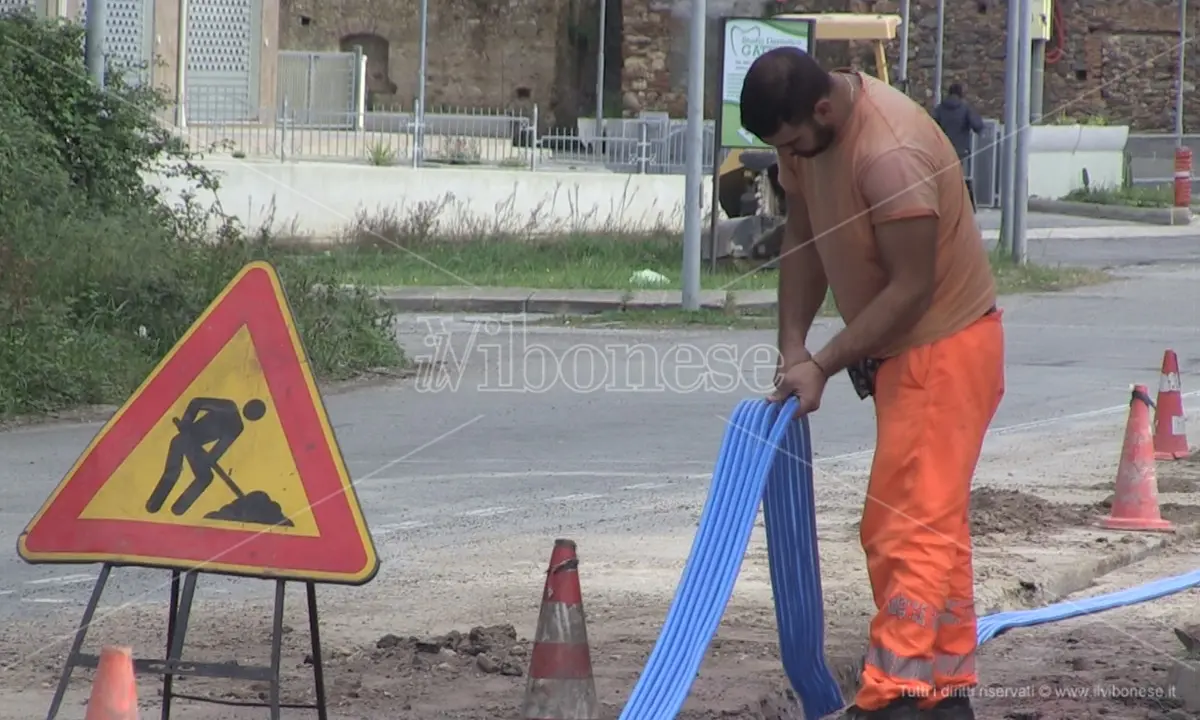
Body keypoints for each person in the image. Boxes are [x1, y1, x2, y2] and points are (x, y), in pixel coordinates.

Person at [739, 49, 1005, 720]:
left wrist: (823, 363)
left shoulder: (891, 152)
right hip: (903, 359)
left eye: (794, 142)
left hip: (944, 351)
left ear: (823, 109)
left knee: (904, 529)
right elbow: (803, 239)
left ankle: (890, 698)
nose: (789, 157)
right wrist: (793, 347)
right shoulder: (805, 143)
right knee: (934, 526)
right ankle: (942, 697)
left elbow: (910, 289)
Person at [932, 83, 985, 210]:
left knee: (943, 177)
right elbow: (977, 125)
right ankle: (957, 205)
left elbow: (931, 126)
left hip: (942, 149)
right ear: (961, 94)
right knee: (958, 177)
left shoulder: (940, 108)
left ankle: (942, 202)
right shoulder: (965, 108)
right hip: (961, 150)